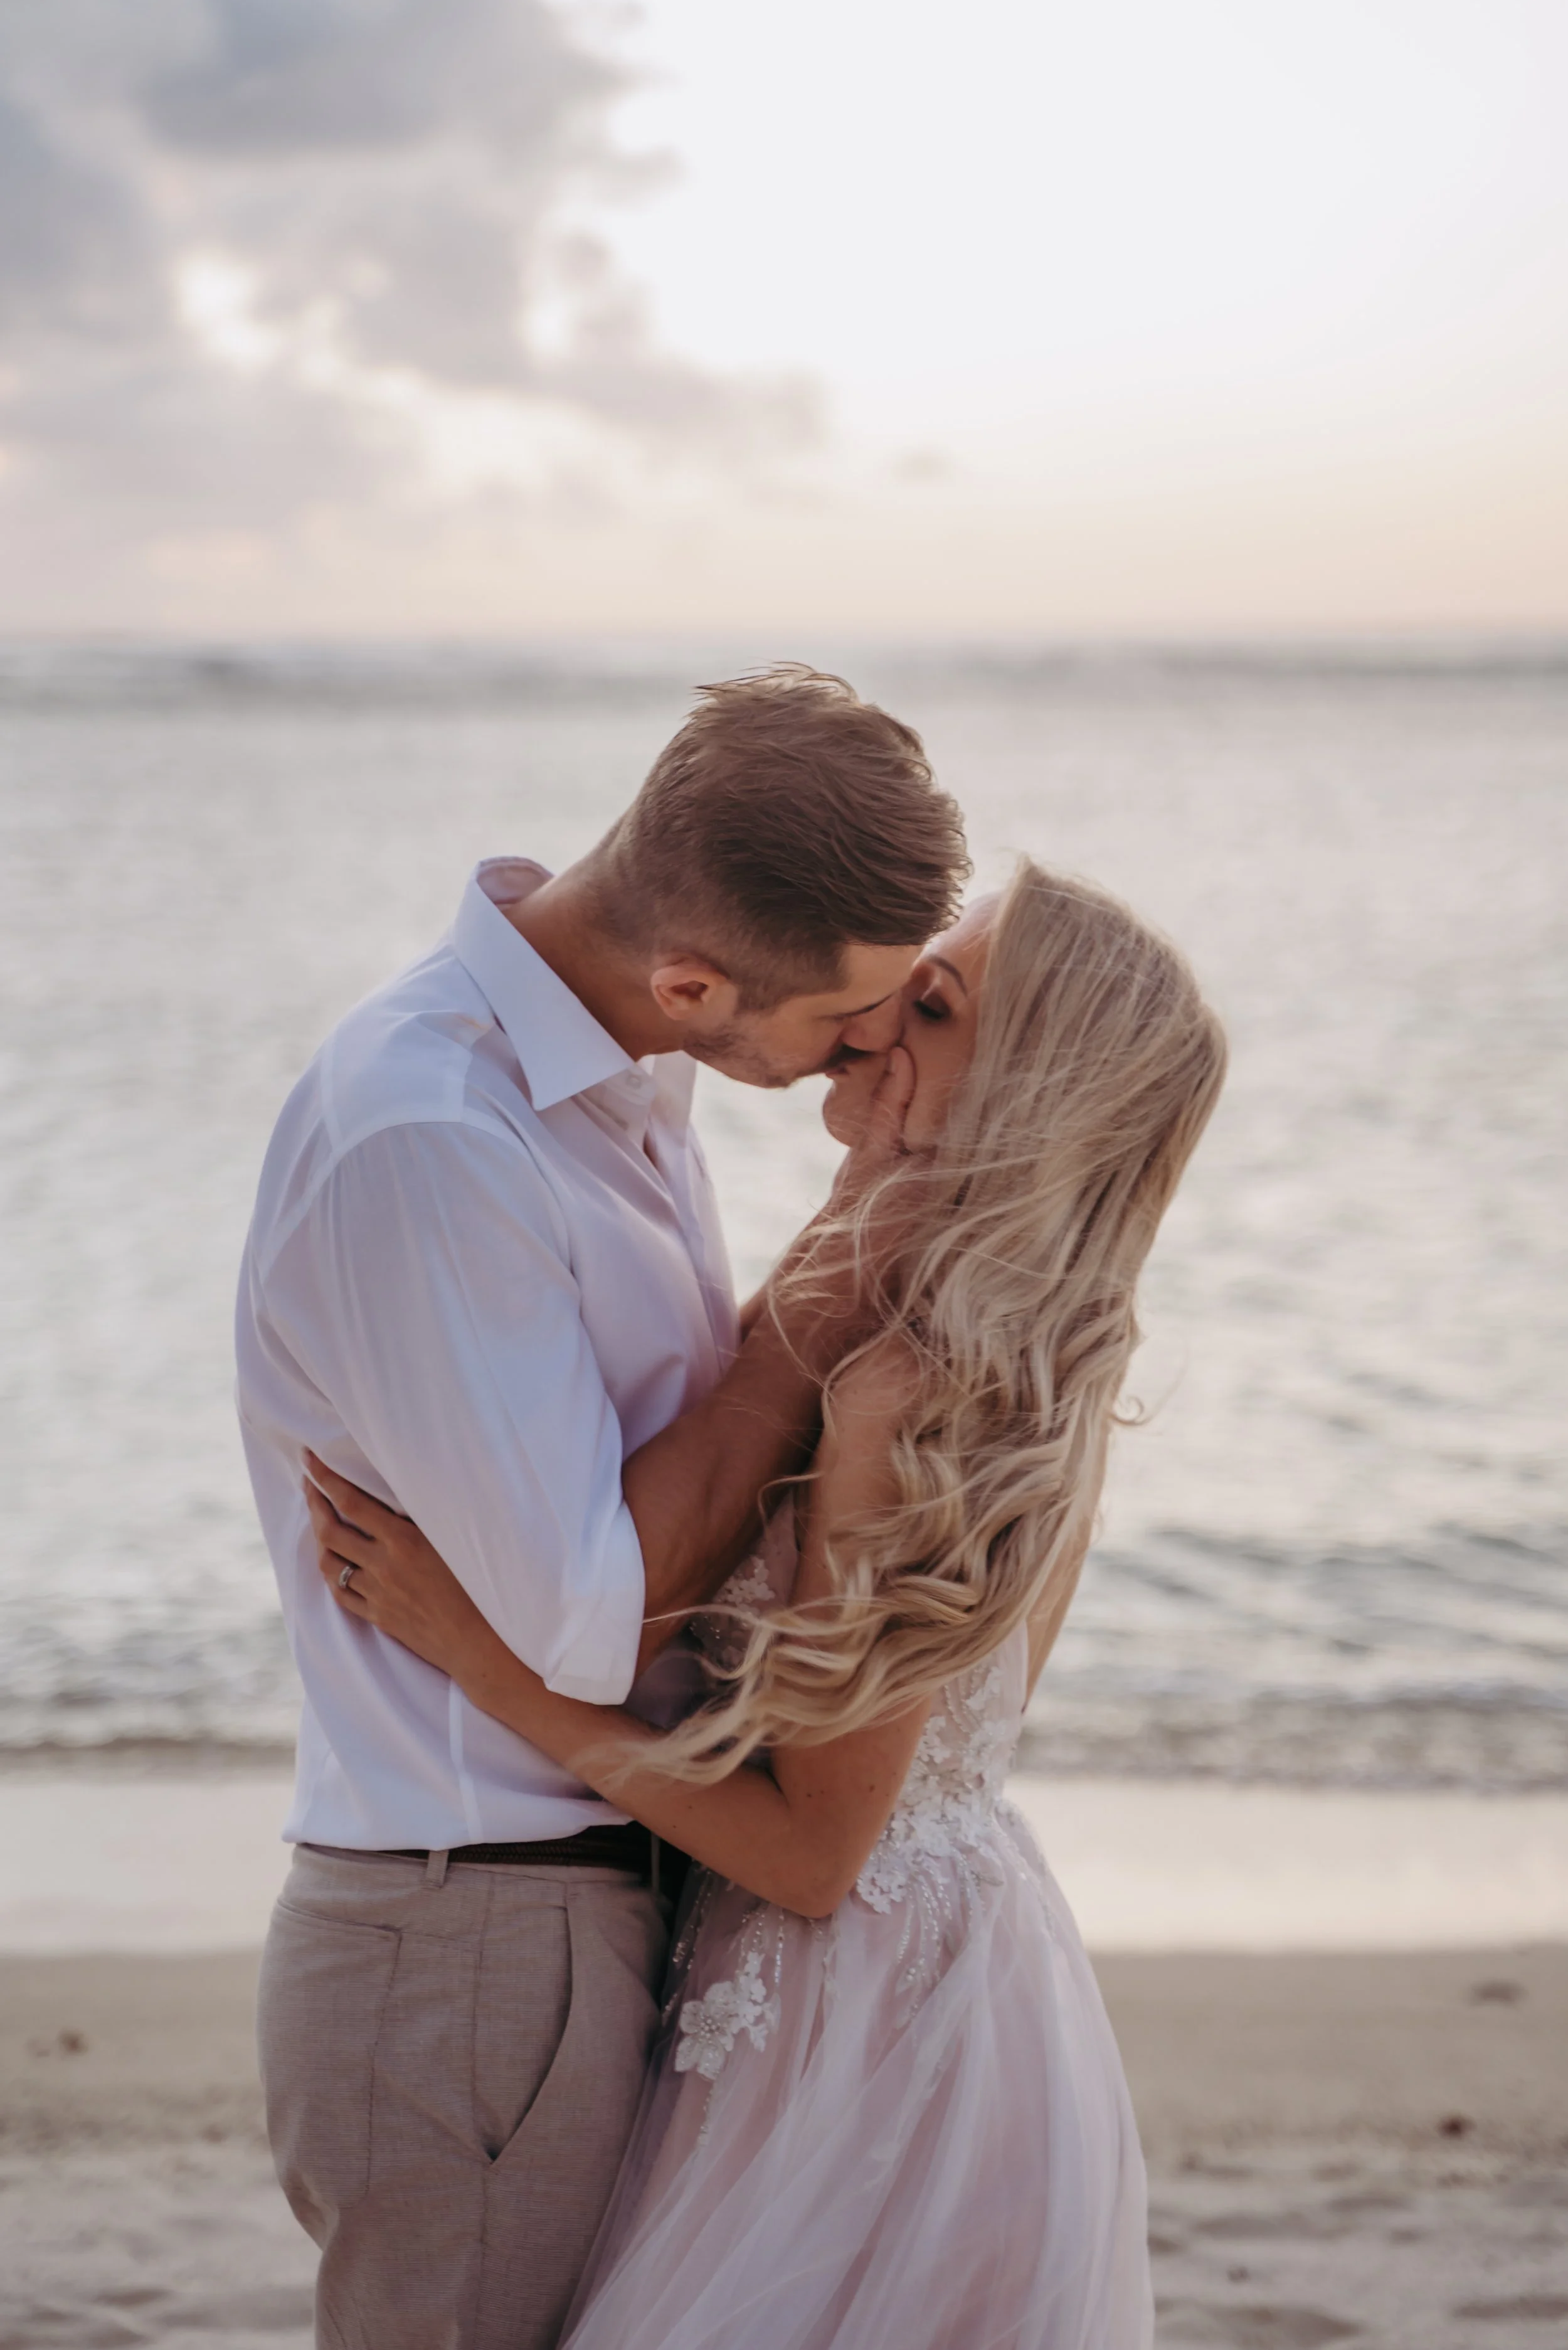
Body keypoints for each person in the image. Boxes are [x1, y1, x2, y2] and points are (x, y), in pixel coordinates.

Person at [303, 859, 1229, 2350]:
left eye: (925, 1004)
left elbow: (812, 1853)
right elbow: (726, 1439)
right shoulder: (941, 1319)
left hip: (862, 2041)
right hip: (867, 1992)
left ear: (1025, 1088)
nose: (861, 1028)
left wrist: (478, 1655)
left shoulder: (915, 1395)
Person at [235, 664, 970, 2350]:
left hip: (572, 1900)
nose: (859, 1044)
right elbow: (586, 1616)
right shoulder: (434, 1138)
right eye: (838, 1019)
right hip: (471, 1934)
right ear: (693, 974)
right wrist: (812, 1303)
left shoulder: (609, 1083)